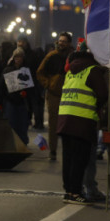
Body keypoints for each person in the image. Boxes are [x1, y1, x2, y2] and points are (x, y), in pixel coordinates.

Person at [57, 45, 108, 205]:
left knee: (69, 158)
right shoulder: (93, 70)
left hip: (65, 120)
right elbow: (103, 95)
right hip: (82, 121)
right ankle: (75, 192)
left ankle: (68, 191)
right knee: (80, 159)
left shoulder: (70, 72)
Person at [36, 32, 74, 161]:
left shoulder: (72, 57)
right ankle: (52, 151)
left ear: (69, 43)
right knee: (53, 123)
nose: (61, 43)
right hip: (54, 95)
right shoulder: (51, 56)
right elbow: (40, 72)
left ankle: (68, 152)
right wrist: (49, 84)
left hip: (70, 94)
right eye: (60, 41)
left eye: (64, 41)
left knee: (68, 124)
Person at [0, 47, 34, 145]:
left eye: (20, 57)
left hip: (22, 102)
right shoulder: (8, 70)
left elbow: (31, 88)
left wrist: (26, 94)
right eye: (17, 57)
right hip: (10, 101)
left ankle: (22, 144)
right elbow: (2, 87)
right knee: (11, 124)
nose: (18, 59)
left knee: (22, 125)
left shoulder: (26, 70)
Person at [16, 34, 45, 130]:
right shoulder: (16, 54)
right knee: (26, 104)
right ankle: (26, 121)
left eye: (22, 42)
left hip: (31, 83)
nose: (20, 44)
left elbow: (35, 68)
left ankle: (37, 122)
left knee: (33, 104)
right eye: (19, 42)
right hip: (22, 82)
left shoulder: (32, 54)